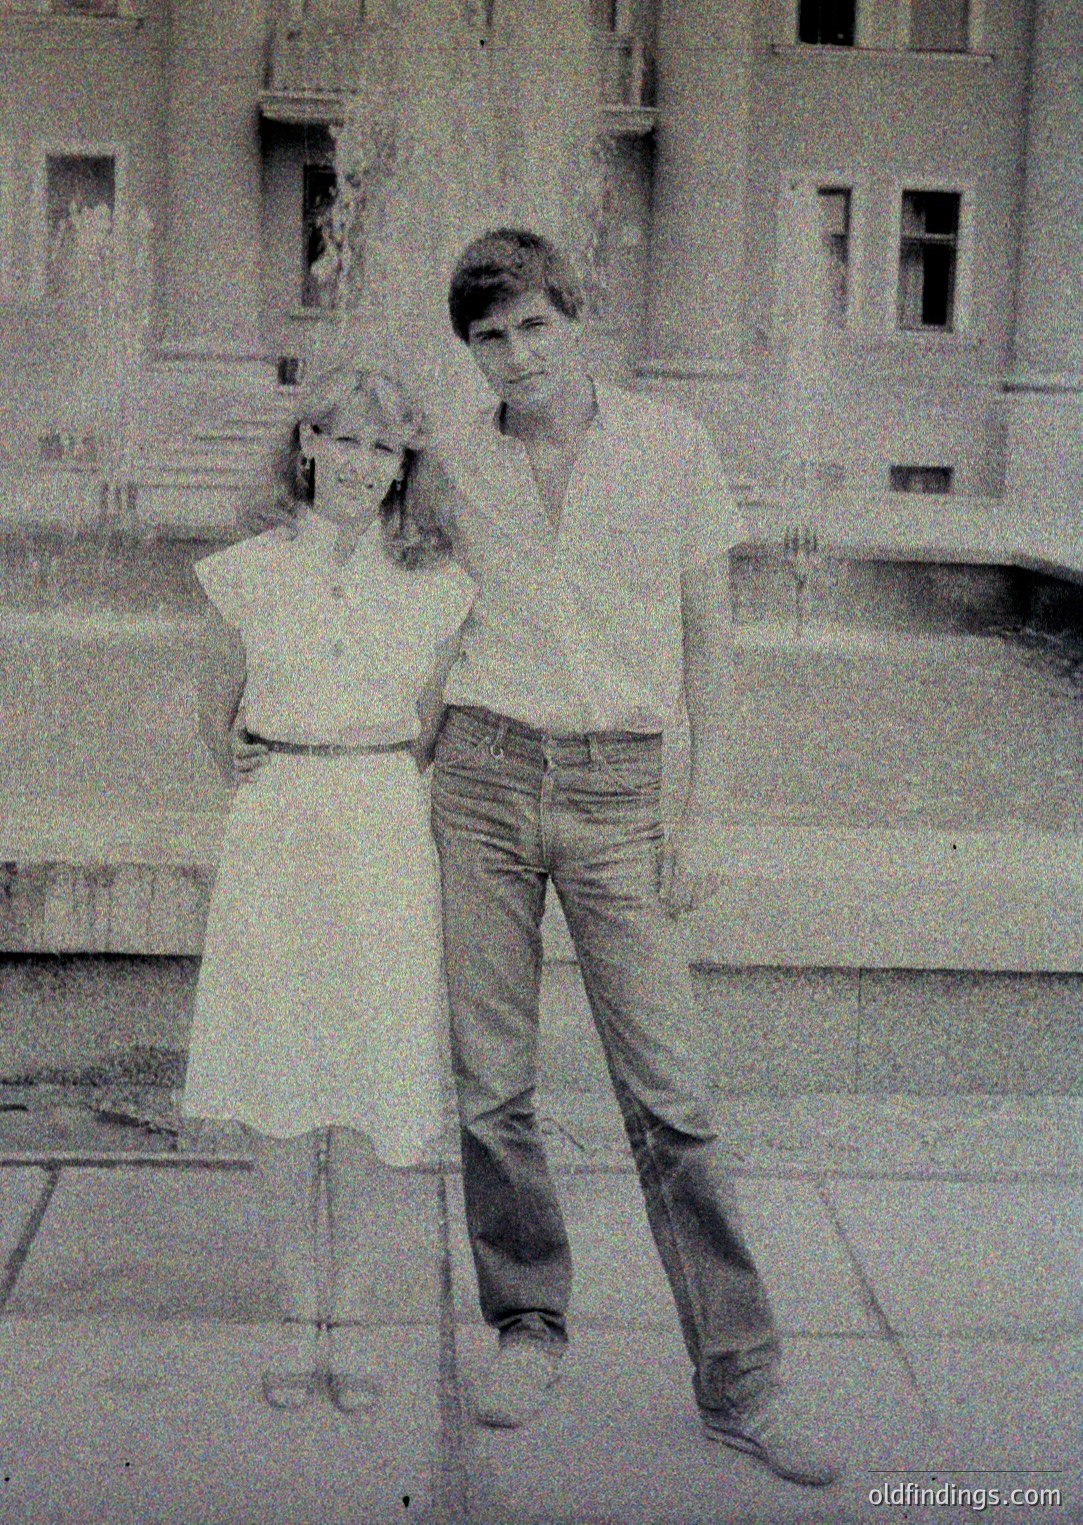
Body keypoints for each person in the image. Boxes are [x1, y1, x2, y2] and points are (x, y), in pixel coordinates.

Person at [428, 229, 840, 1487]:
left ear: (575, 320)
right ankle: (526, 1323)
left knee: (672, 1102)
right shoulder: (448, 461)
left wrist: (700, 813)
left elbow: (711, 641)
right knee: (491, 1087)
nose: (517, 357)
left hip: (621, 791)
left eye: (536, 328)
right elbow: (340, 546)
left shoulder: (668, 446)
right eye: (492, 340)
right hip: (484, 781)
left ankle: (743, 1378)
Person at [182, 371, 475, 1412]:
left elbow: (432, 722)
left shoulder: (437, 581)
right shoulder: (246, 570)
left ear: (405, 467)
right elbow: (214, 719)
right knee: (275, 1052)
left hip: (381, 822)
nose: (361, 465)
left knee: (368, 1055)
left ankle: (348, 1309)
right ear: (306, 445)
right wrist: (259, 756)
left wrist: (369, 770)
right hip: (279, 825)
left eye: (384, 448)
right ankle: (296, 1305)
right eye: (342, 441)